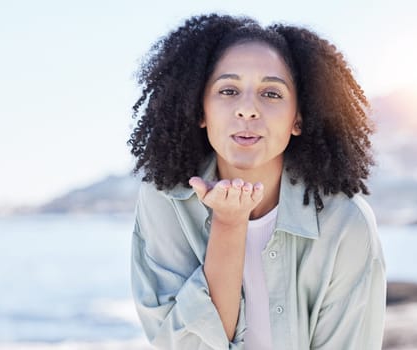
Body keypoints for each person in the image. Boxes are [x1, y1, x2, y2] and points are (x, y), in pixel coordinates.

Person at [128, 13, 386, 350]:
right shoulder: (165, 200)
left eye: (272, 94)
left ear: (298, 118)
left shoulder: (346, 224)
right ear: (200, 110)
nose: (247, 110)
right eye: (229, 90)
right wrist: (228, 224)